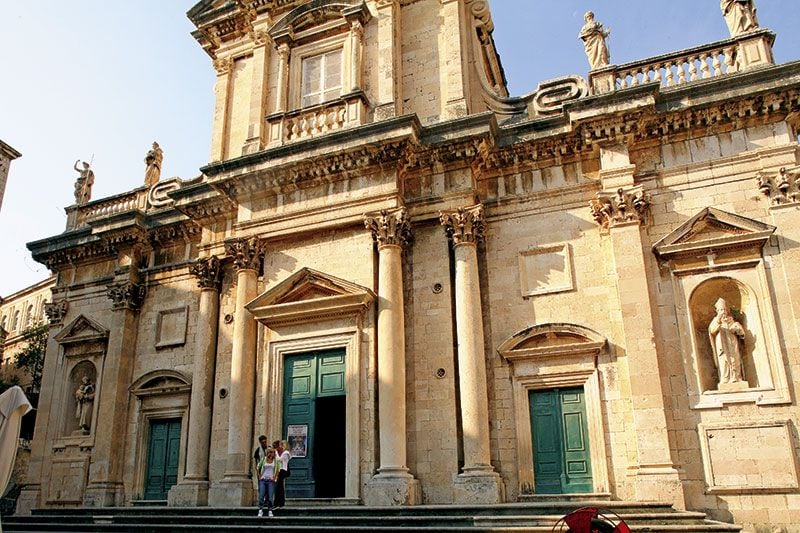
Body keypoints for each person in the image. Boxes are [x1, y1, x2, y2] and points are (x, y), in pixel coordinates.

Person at [708, 298, 746, 386]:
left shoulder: (732, 321)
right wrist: (718, 320)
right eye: (721, 309)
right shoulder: (716, 321)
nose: (723, 311)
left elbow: (741, 333)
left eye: (724, 309)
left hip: (732, 344)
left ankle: (736, 377)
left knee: (735, 359)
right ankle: (725, 379)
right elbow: (712, 330)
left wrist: (737, 329)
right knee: (724, 361)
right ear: (717, 311)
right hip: (721, 345)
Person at [256, 447, 280, 517]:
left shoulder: (276, 461)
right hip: (263, 480)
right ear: (269, 453)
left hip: (271, 481)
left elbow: (278, 470)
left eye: (273, 452)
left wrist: (274, 478)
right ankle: (260, 509)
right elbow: (258, 468)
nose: (273, 454)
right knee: (261, 495)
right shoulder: (263, 459)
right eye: (271, 452)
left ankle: (270, 510)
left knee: (270, 496)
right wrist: (259, 477)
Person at [273, 439, 291, 508]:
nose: (280, 446)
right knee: (279, 487)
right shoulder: (284, 452)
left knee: (279, 487)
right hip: (280, 470)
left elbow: (279, 459)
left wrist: (276, 452)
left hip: (282, 470)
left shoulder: (286, 453)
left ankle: (279, 502)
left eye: (281, 444)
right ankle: (279, 502)